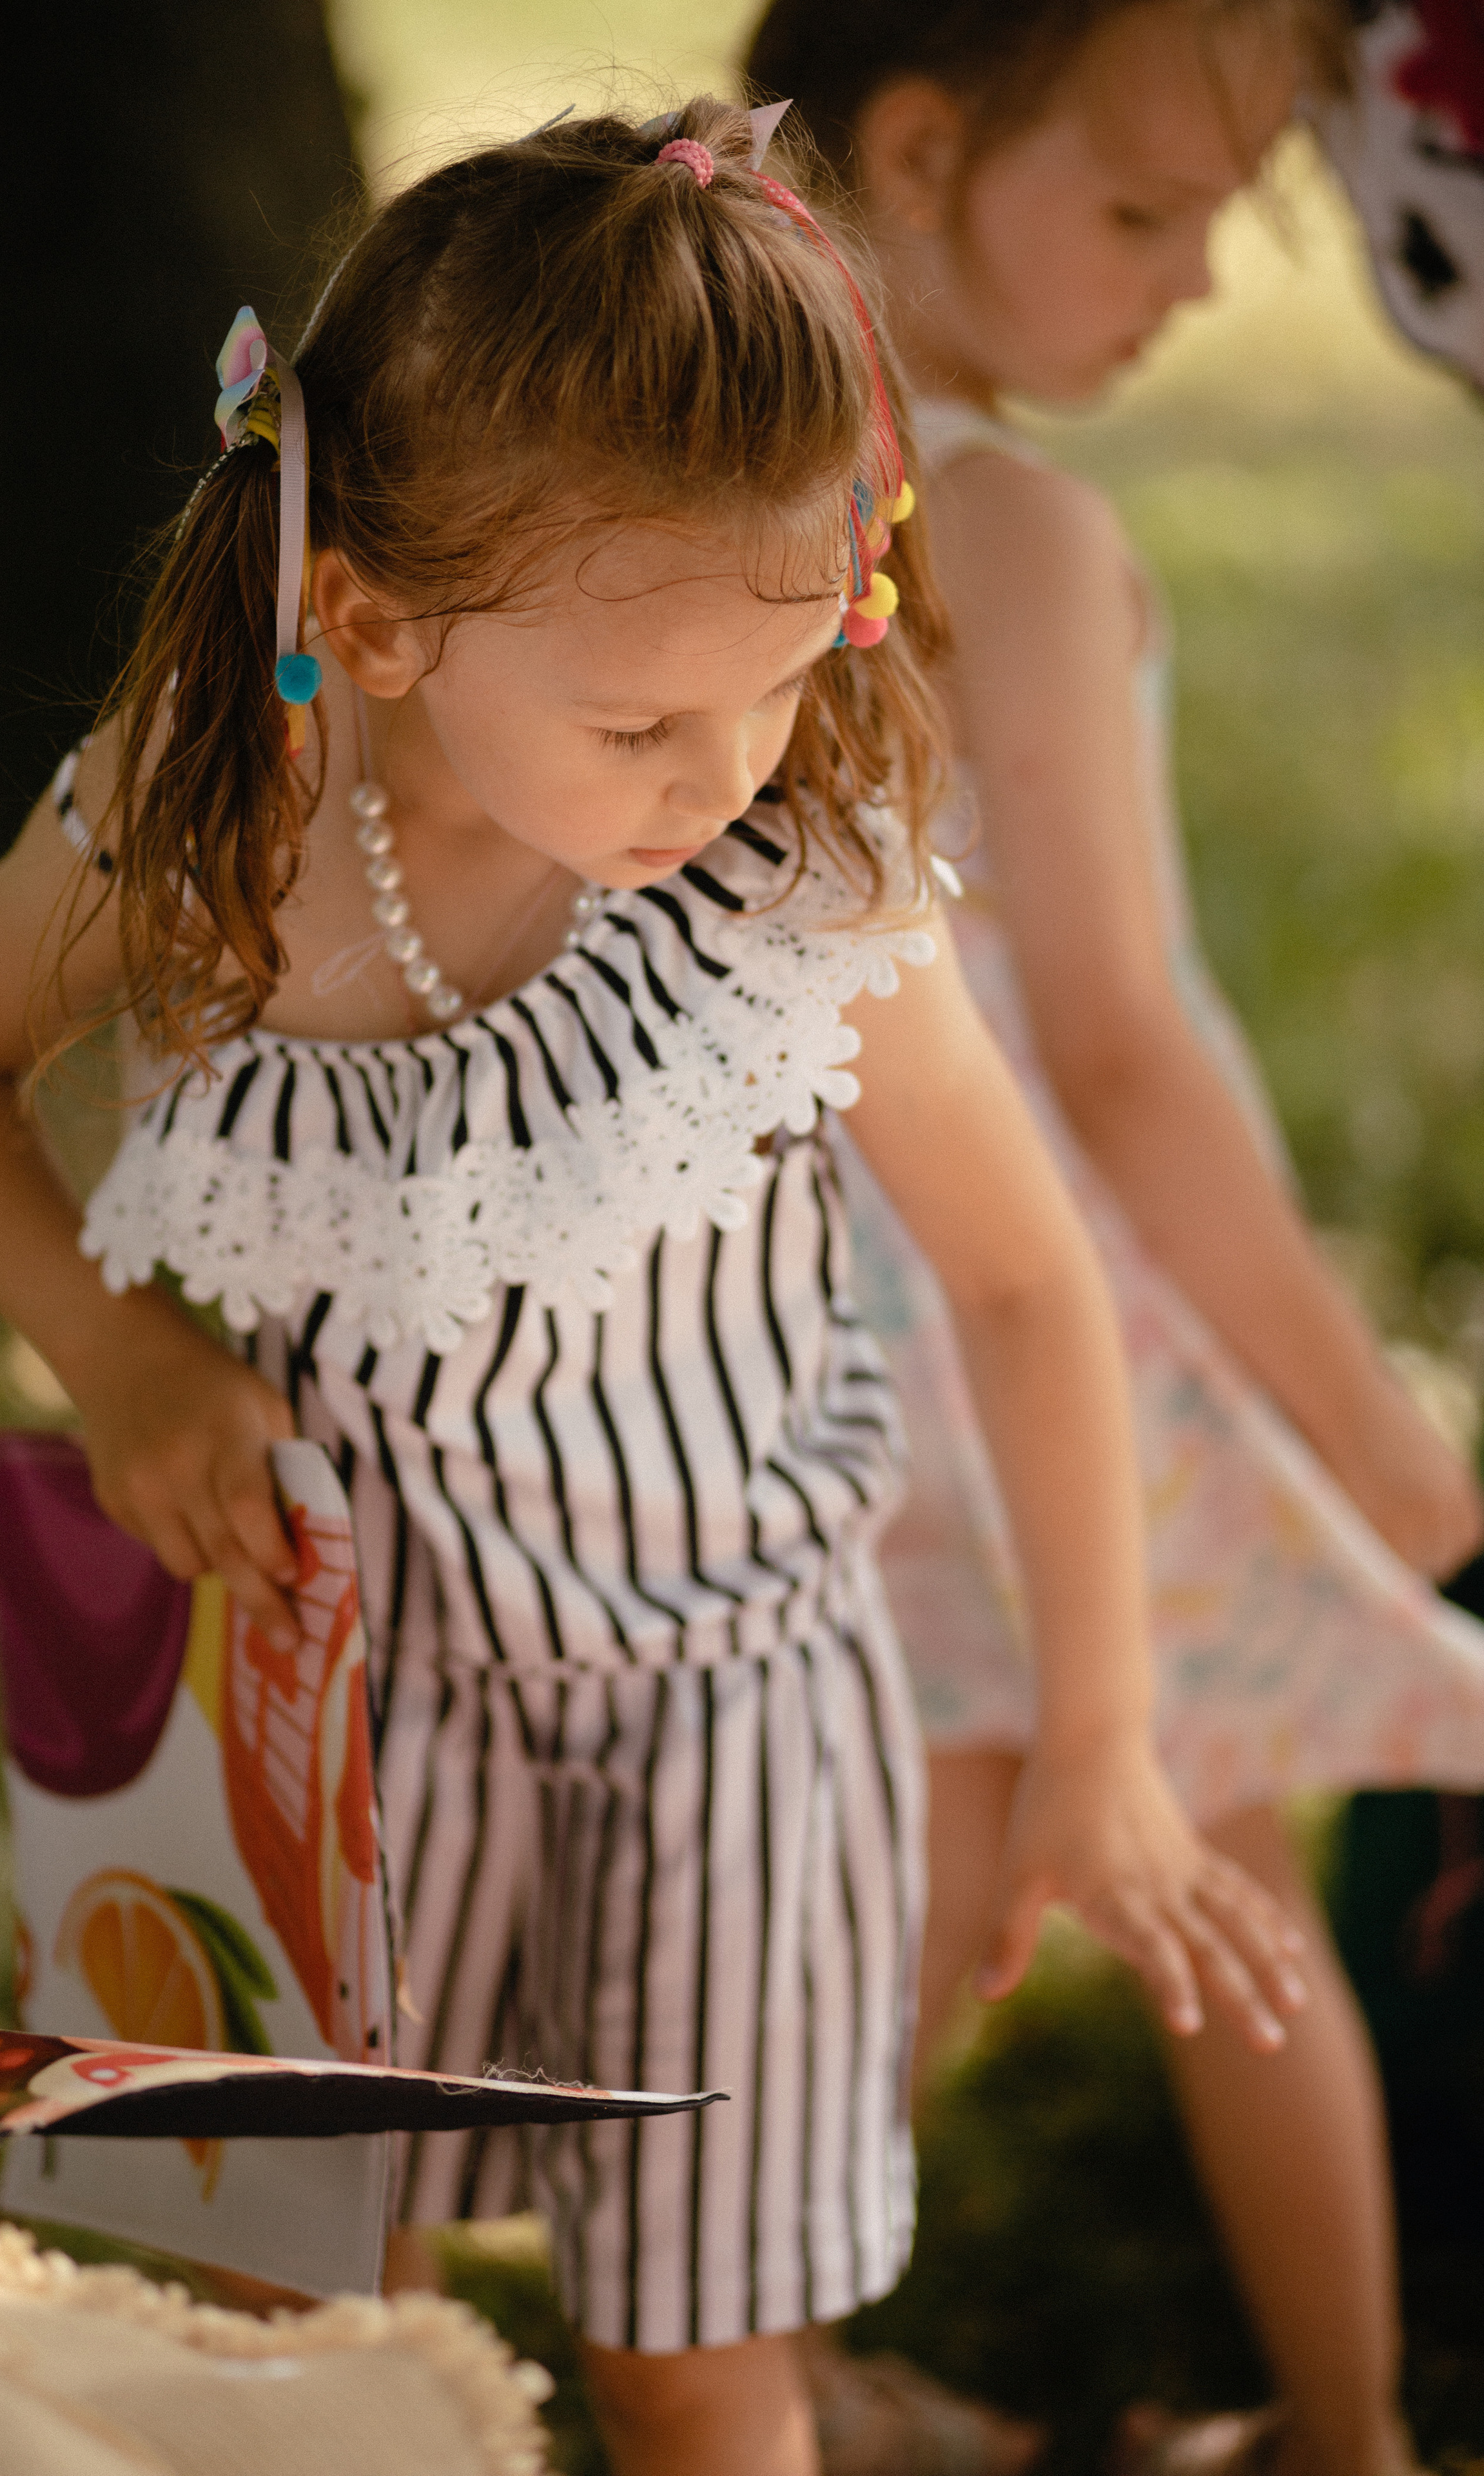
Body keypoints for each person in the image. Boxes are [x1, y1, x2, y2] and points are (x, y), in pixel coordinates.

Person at [0, 101, 1303, 2476]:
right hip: (338, 1703)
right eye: (640, 725)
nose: (725, 773)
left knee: (692, 2362)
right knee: (306, 2312)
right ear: (372, 622)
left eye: (786, 675)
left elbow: (1033, 1287)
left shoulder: (791, 885)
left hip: (730, 1718)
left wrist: (1105, 1739)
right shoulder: (213, 827)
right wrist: (119, 1355)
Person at [740, 6, 1484, 2472]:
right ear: (924, 147)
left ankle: (760, 2365)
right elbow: (1125, 1058)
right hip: (1068, 1338)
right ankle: (1351, 2433)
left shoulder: (715, 492)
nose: (1198, 285)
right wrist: (1370, 1425)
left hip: (827, 1328)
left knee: (922, 1878)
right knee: (1214, 1869)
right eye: (1150, 214)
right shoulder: (1020, 532)